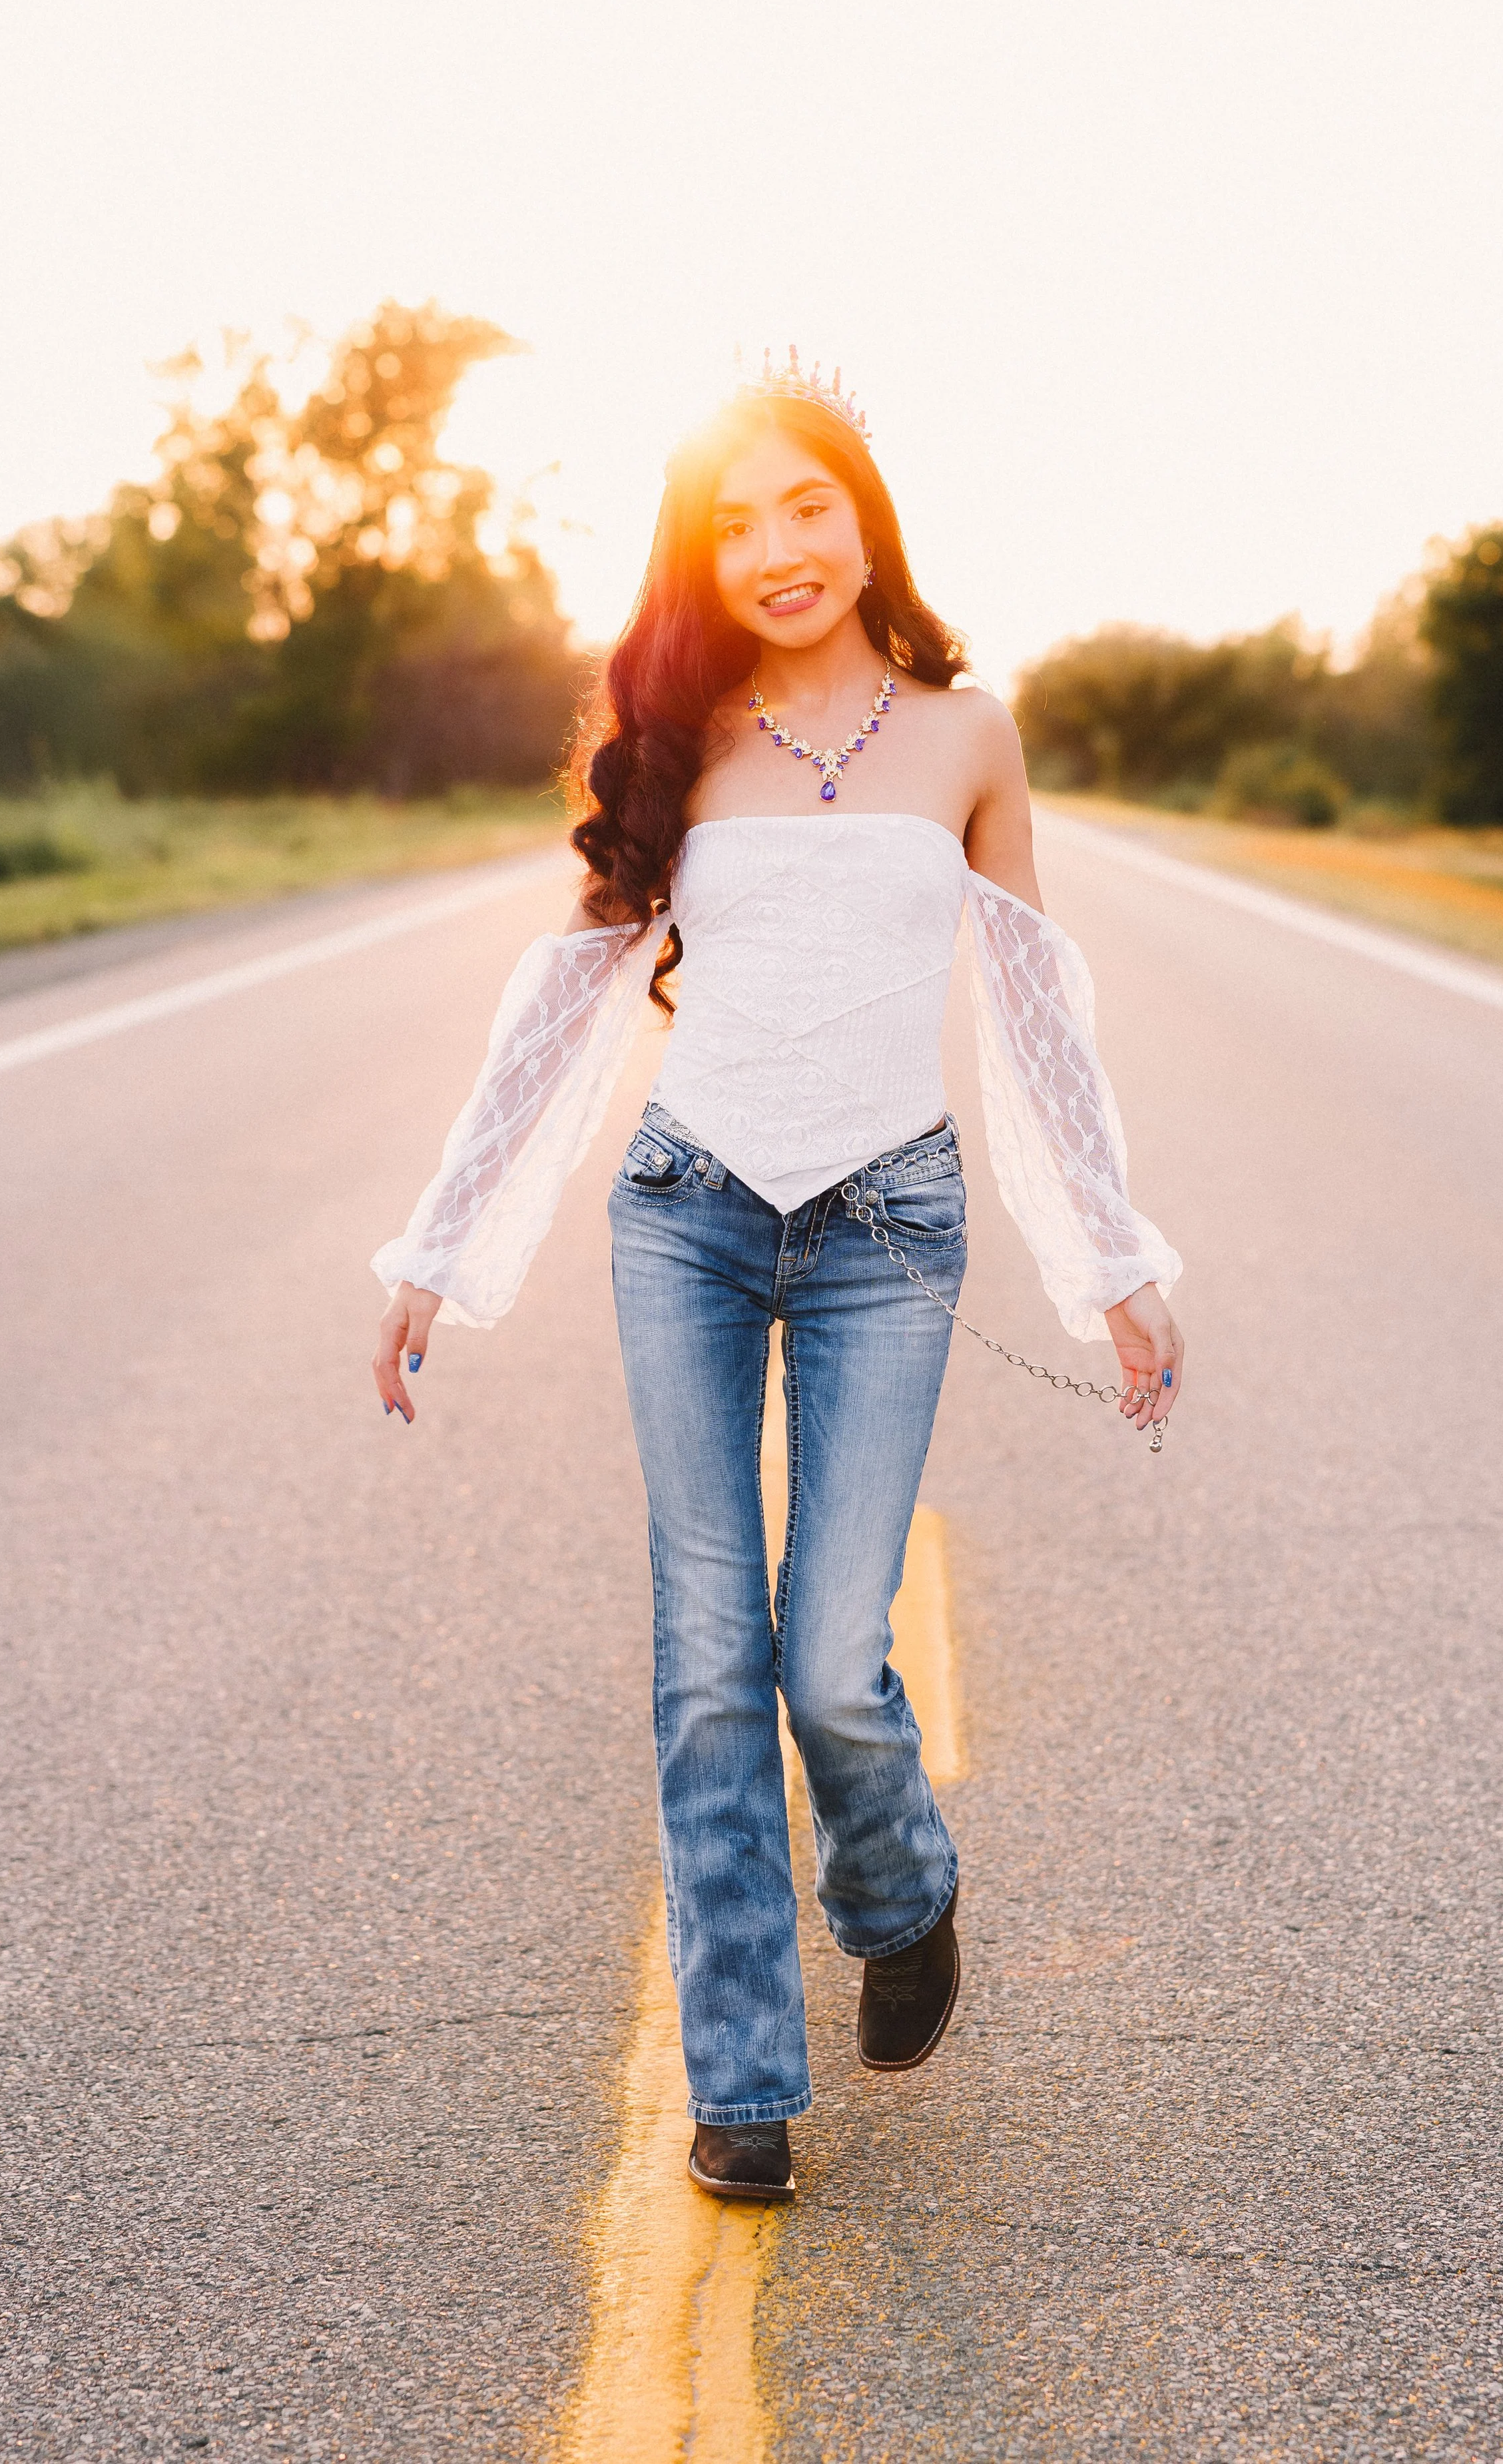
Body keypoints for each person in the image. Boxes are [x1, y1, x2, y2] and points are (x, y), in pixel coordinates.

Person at [370, 351, 1183, 2204]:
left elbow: (1037, 1010)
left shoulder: (968, 736)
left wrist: (1113, 1259)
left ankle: (898, 1885)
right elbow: (562, 1009)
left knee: (832, 1660)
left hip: (890, 1224)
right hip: (688, 1214)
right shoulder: (681, 741)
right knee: (709, 1666)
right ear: (700, 560)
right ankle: (741, 2082)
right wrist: (439, 1243)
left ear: (862, 516)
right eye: (730, 525)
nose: (776, 547)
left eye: (804, 504)